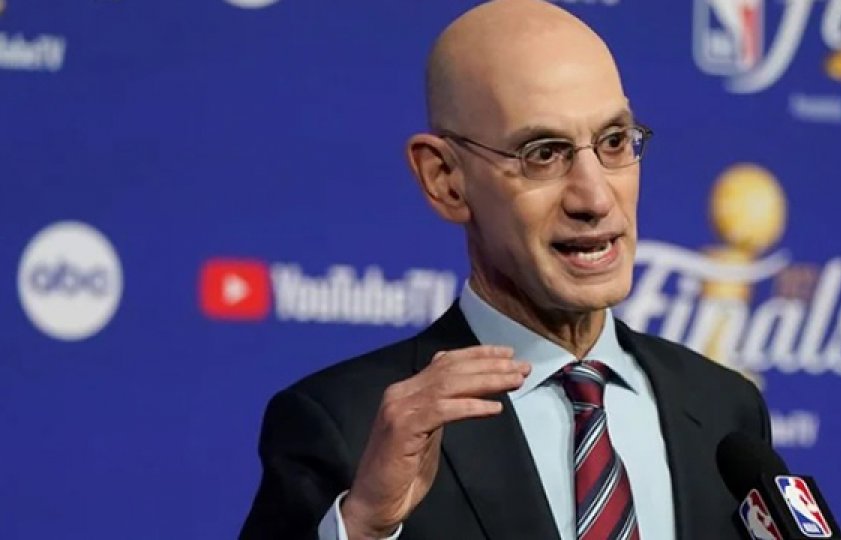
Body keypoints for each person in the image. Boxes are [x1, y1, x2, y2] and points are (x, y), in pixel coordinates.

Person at [239, 1, 771, 539]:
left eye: (613, 142)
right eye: (543, 154)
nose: (595, 198)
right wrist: (363, 528)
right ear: (445, 179)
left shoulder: (725, 411)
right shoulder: (346, 427)